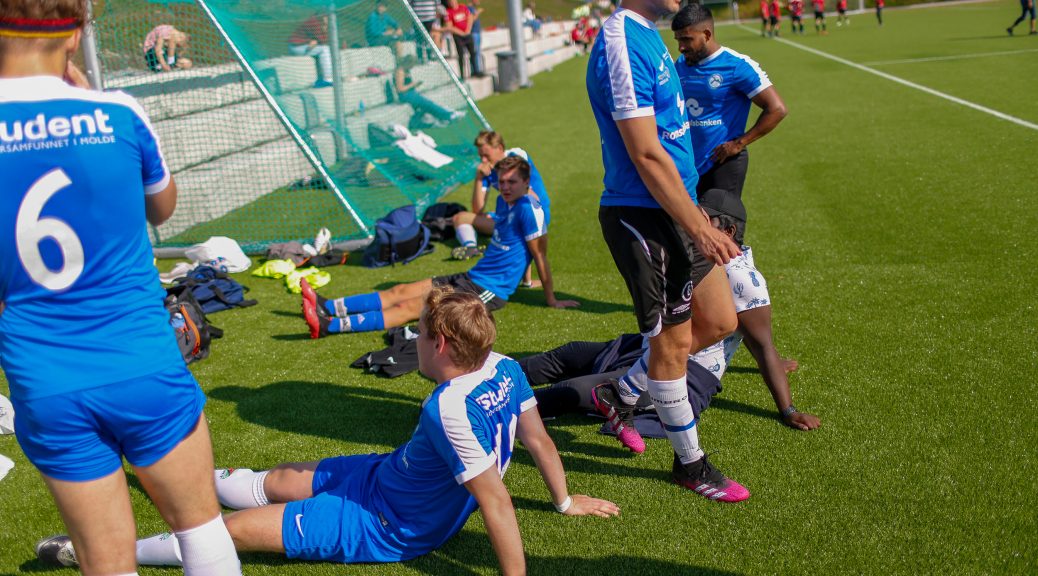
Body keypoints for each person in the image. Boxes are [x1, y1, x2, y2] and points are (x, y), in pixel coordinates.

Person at [36, 288, 621, 573]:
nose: (410, 341)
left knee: (230, 531)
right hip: (384, 476)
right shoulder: (505, 366)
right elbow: (538, 440)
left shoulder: (449, 408)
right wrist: (563, 500)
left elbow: (495, 501)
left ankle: (108, 554)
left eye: (416, 333)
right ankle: (179, 479)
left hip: (388, 524)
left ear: (440, 344)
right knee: (279, 479)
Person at [0, 1, 241, 574]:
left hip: (44, 377)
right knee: (201, 533)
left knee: (105, 562)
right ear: (76, 33)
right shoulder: (117, 112)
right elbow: (162, 207)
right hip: (141, 359)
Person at [585, 0, 747, 502]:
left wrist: (692, 214)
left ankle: (620, 392)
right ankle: (690, 464)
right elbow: (644, 151)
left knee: (720, 321)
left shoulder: (649, 33)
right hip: (645, 217)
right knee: (672, 346)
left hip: (677, 207)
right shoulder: (621, 40)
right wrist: (699, 226)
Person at [301, 156, 577, 337]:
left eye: (511, 182)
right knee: (400, 290)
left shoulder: (530, 210)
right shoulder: (504, 201)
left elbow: (539, 255)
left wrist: (551, 299)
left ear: (526, 182)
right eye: (501, 181)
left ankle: (329, 326)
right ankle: (329, 306)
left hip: (488, 290)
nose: (504, 187)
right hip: (471, 276)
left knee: (410, 306)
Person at [673, 3, 788, 244]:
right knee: (691, 237)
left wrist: (739, 143)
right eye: (678, 40)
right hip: (689, 165)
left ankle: (736, 269)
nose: (681, 46)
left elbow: (777, 109)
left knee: (723, 236)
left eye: (686, 39)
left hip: (722, 163)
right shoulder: (679, 66)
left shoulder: (736, 65)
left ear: (706, 34)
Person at [451, 130, 550, 279]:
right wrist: (479, 178)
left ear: (500, 148)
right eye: (480, 156)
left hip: (533, 217)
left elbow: (528, 196)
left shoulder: (517, 156)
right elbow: (477, 209)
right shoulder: (488, 170)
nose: (483, 160)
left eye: (486, 155)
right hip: (510, 217)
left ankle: (524, 278)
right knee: (460, 218)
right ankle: (471, 247)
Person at [394, 54, 464, 123]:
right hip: (405, 96)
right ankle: (449, 115)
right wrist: (413, 84)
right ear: (408, 62)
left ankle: (444, 116)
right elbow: (400, 89)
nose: (412, 67)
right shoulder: (400, 71)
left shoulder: (406, 70)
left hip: (411, 93)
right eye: (412, 64)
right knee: (427, 103)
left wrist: (414, 85)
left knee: (427, 104)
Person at [288, 14, 333, 88]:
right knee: (325, 49)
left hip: (302, 45)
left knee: (324, 49)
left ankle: (324, 78)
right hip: (297, 47)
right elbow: (323, 40)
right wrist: (325, 28)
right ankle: (328, 79)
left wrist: (315, 41)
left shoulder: (317, 21)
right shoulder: (314, 23)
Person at [443, 0, 478, 79]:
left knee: (473, 53)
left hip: (468, 34)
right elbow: (449, 26)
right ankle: (462, 75)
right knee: (461, 55)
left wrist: (468, 30)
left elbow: (470, 18)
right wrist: (461, 33)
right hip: (458, 36)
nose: (452, 2)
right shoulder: (448, 12)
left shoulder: (463, 7)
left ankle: (475, 71)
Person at [469, 0, 486, 75]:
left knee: (478, 52)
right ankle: (476, 70)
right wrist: (477, 13)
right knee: (475, 52)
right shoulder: (469, 9)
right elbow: (471, 20)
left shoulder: (473, 8)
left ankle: (478, 69)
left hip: (477, 32)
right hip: (473, 33)